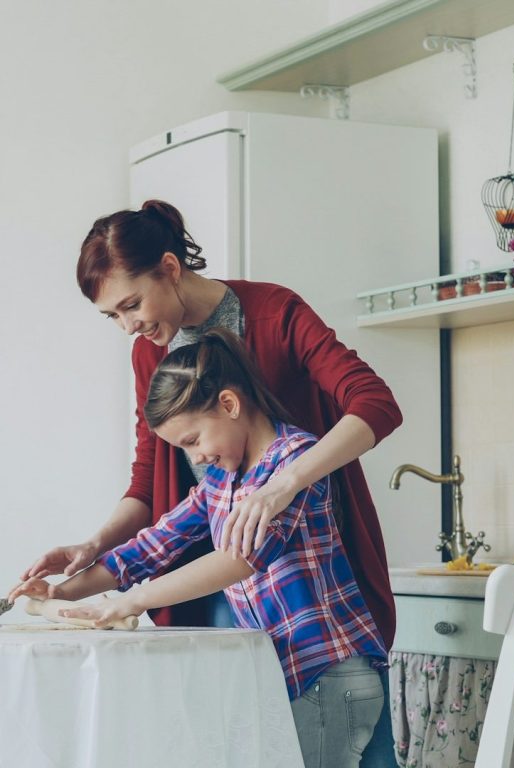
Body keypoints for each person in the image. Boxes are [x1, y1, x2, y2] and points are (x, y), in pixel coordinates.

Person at [21, 199, 401, 766]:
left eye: (132, 304)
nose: (129, 327)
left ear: (170, 268)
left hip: (309, 609)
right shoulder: (171, 398)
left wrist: (283, 486)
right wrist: (77, 573)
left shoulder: (274, 316)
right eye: (112, 317)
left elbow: (374, 402)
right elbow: (151, 499)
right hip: (220, 592)